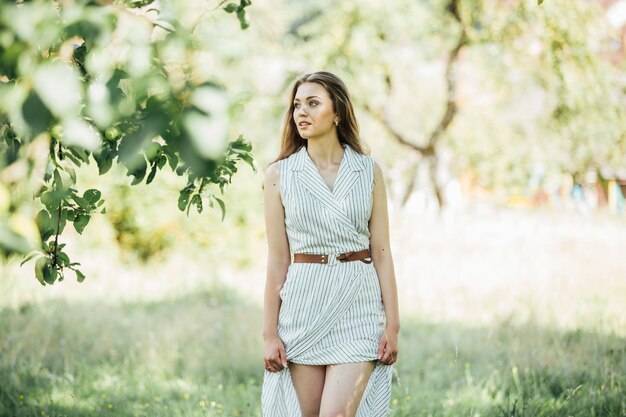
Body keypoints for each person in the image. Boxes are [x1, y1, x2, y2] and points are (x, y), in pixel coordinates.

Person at [261, 71, 399, 417]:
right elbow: (278, 260)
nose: (301, 112)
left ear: (337, 112)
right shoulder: (279, 175)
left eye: (312, 103)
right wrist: (269, 334)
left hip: (358, 302)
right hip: (304, 306)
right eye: (296, 105)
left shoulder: (368, 171)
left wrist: (392, 324)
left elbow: (382, 252)